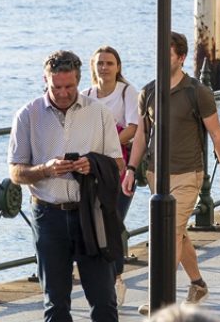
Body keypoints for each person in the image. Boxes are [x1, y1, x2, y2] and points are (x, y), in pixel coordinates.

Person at [123, 32, 220, 312]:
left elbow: (217, 134)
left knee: (169, 232)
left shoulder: (196, 91)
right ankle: (198, 284)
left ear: (181, 58)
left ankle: (162, 299)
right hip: (155, 175)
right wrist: (130, 169)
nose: (162, 60)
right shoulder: (148, 91)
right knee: (178, 233)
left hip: (188, 173)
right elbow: (141, 136)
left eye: (169, 55)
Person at [9, 50, 123, 322]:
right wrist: (44, 170)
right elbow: (15, 172)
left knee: (105, 302)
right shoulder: (28, 115)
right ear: (45, 80)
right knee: (56, 305)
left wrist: (91, 165)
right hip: (49, 217)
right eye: (56, 87)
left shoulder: (99, 113)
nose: (62, 93)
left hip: (91, 215)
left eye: (69, 86)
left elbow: (117, 164)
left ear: (80, 80)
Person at [83, 45, 140, 305]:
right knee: (96, 222)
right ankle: (105, 277)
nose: (104, 67)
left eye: (109, 63)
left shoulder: (127, 92)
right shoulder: (86, 95)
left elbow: (133, 127)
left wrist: (107, 145)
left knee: (114, 221)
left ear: (118, 67)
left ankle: (116, 277)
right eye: (100, 63)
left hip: (118, 165)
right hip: (92, 167)